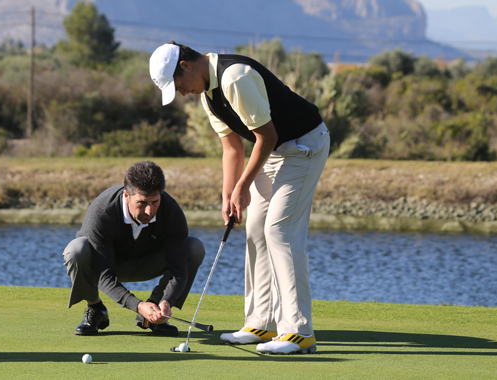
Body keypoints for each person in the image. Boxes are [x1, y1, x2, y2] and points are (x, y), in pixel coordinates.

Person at [149, 42, 330, 354]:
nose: (181, 93)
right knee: (257, 229)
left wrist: (243, 186)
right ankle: (261, 322)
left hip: (303, 146)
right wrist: (228, 194)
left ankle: (299, 331)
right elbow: (232, 147)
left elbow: (267, 136)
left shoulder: (234, 77)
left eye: (179, 85)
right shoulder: (208, 94)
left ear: (186, 66)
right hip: (274, 152)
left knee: (280, 230)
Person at [62, 160, 206, 337]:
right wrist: (137, 305)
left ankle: (155, 315)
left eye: (155, 201)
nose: (149, 210)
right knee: (77, 250)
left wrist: (167, 300)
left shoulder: (171, 210)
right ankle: (95, 308)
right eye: (142, 202)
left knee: (195, 247)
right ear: (126, 196)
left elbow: (178, 269)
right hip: (105, 265)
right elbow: (104, 275)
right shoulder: (102, 212)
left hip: (148, 263)